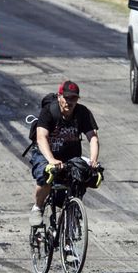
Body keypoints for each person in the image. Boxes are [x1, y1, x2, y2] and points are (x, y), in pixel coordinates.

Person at [29, 80, 99, 227]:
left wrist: (93, 161)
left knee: (85, 175)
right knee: (46, 174)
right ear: (60, 97)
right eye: (66, 98)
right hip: (45, 154)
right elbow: (41, 137)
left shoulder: (82, 113)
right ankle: (38, 207)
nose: (69, 102)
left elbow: (93, 137)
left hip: (70, 157)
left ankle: (72, 211)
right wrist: (51, 159)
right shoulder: (49, 111)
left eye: (73, 98)